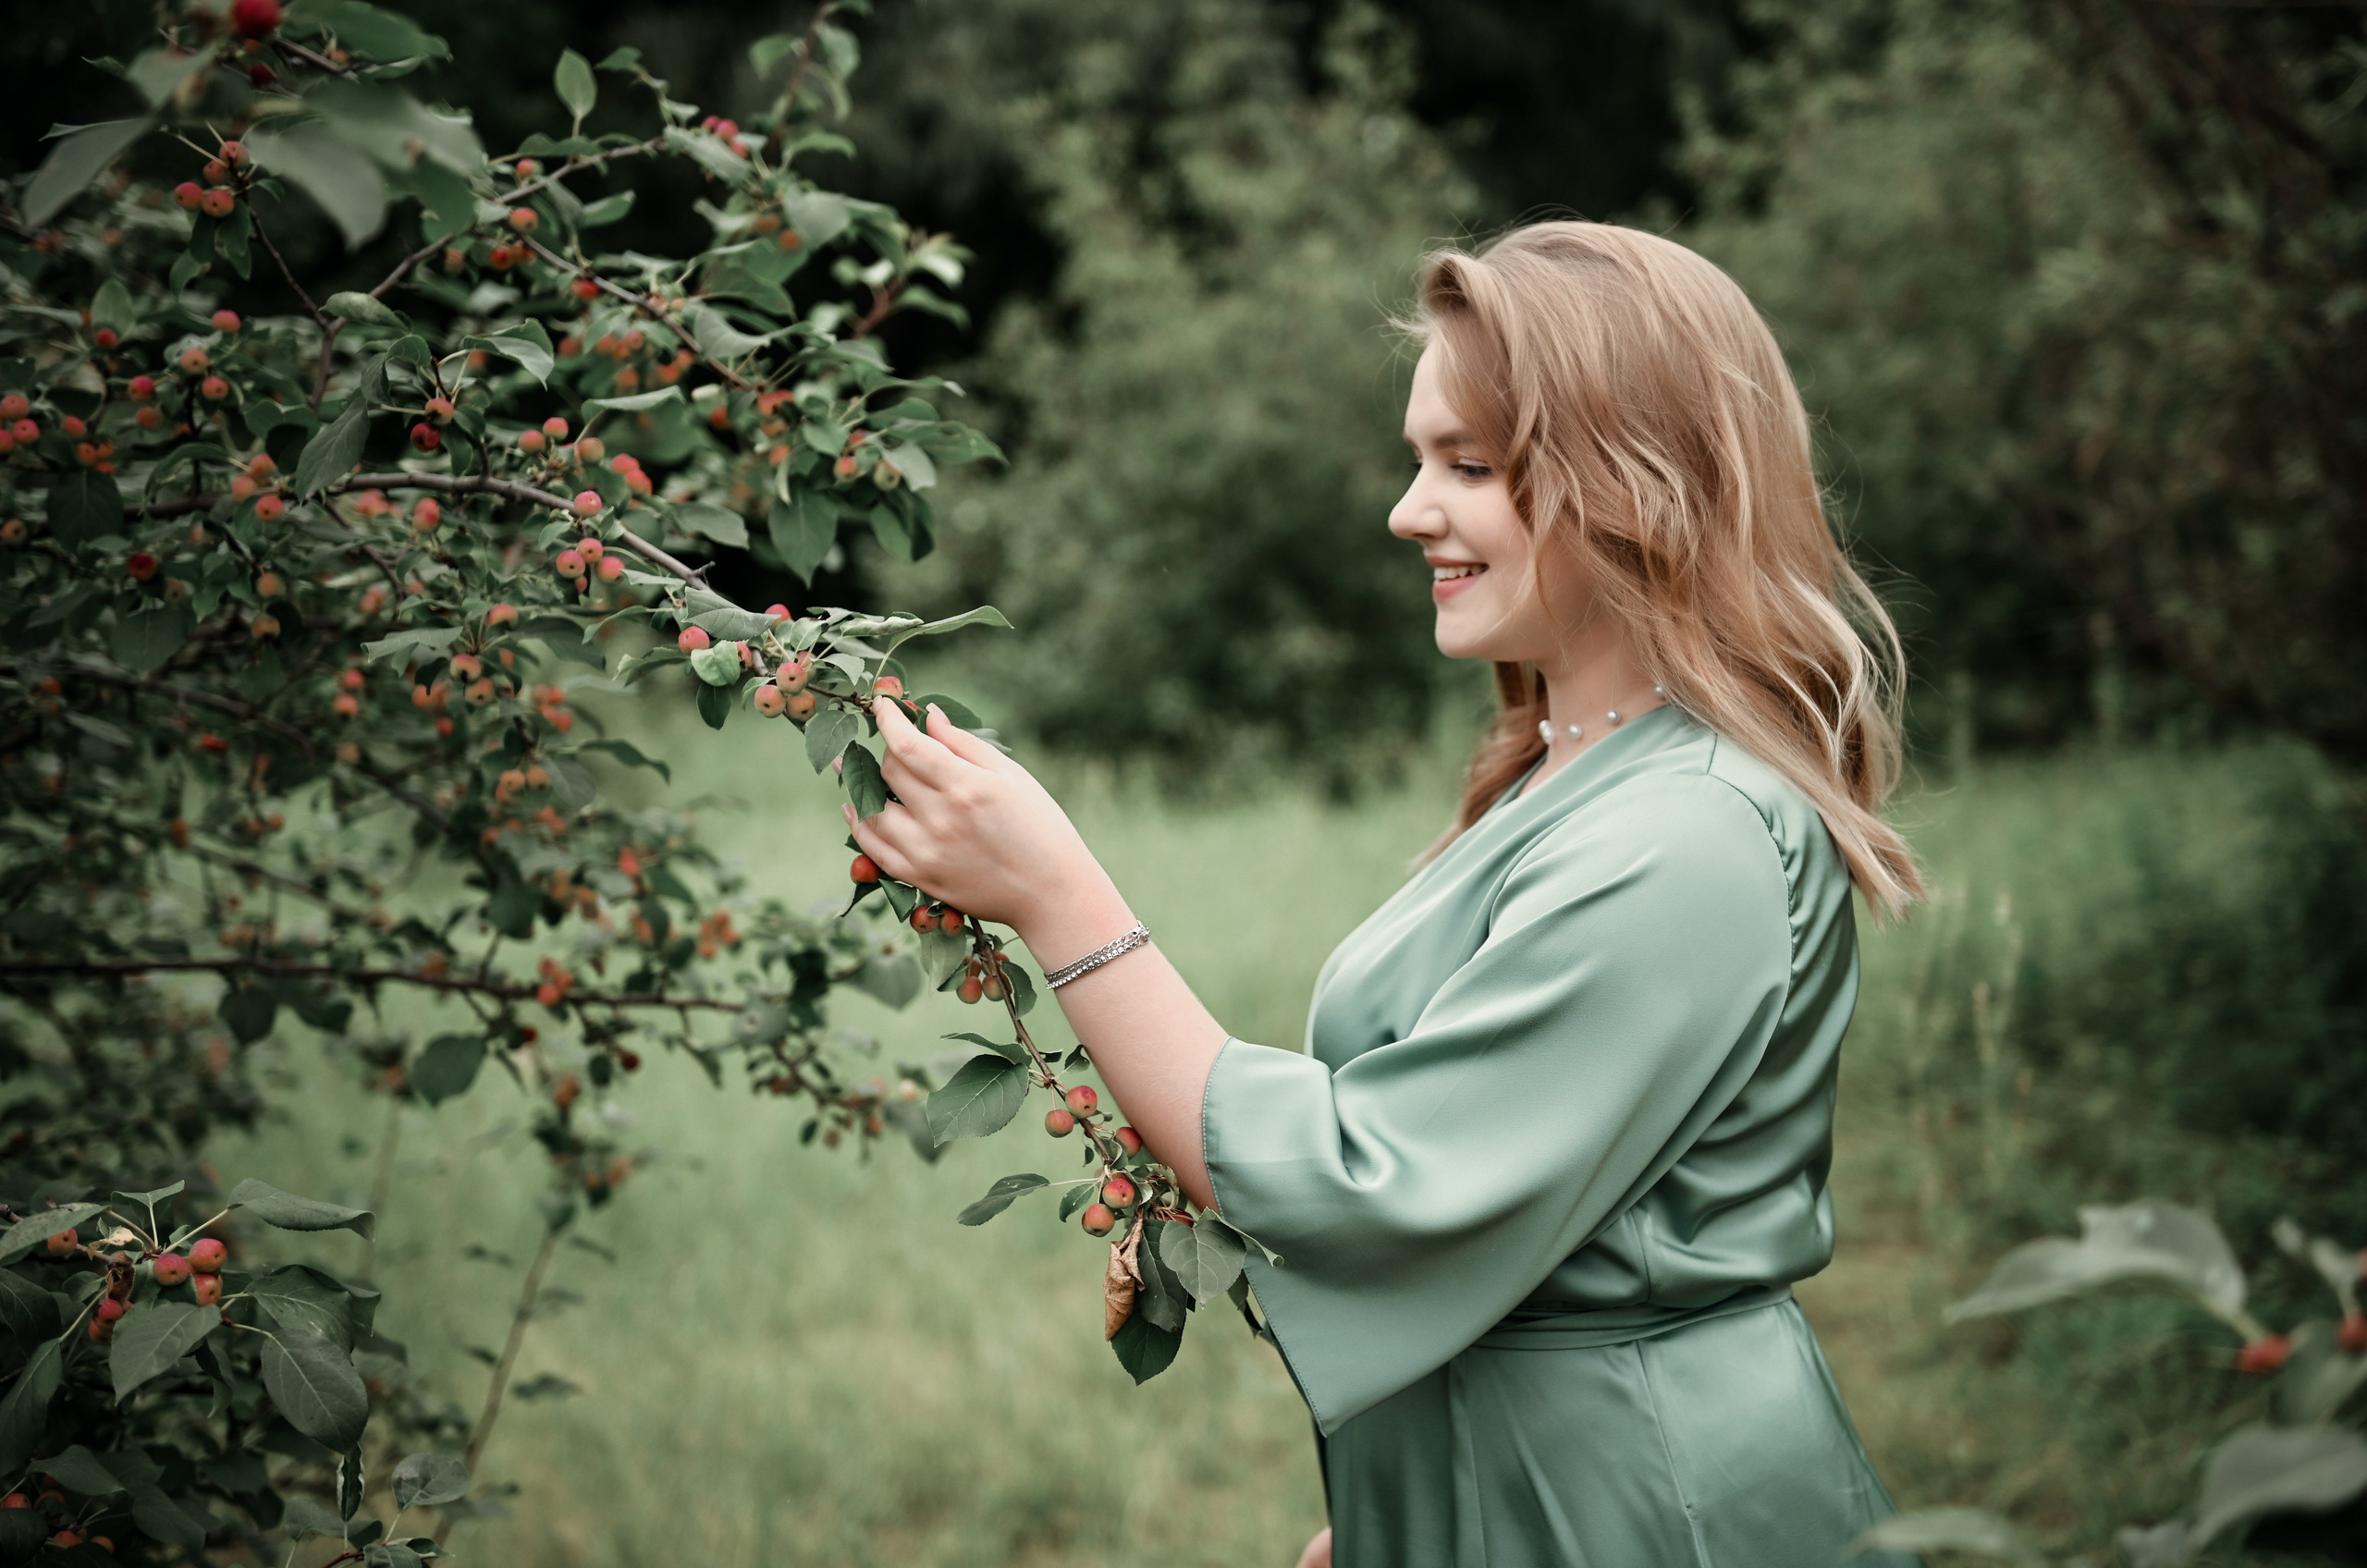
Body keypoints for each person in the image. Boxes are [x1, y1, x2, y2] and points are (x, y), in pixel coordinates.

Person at [842, 220, 1923, 1568]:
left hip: (1638, 1512)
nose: (1410, 510)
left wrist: (1058, 897)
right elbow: (1508, 1174)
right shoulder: (1572, 775)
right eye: (1421, 460)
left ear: (1635, 481)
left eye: (1468, 466)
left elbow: (1375, 1182)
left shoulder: (1691, 832)